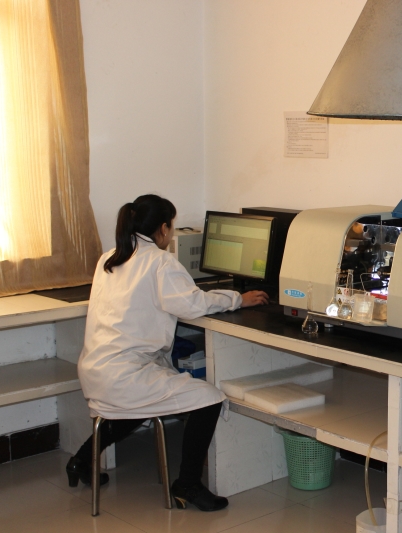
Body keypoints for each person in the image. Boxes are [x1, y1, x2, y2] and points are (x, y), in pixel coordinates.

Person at [65, 194, 267, 512]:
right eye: (171, 227)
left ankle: (80, 461)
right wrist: (238, 298)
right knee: (209, 398)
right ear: (162, 228)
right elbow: (192, 303)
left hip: (96, 371)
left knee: (130, 406)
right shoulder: (160, 262)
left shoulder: (109, 258)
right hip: (125, 375)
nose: (171, 233)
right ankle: (187, 484)